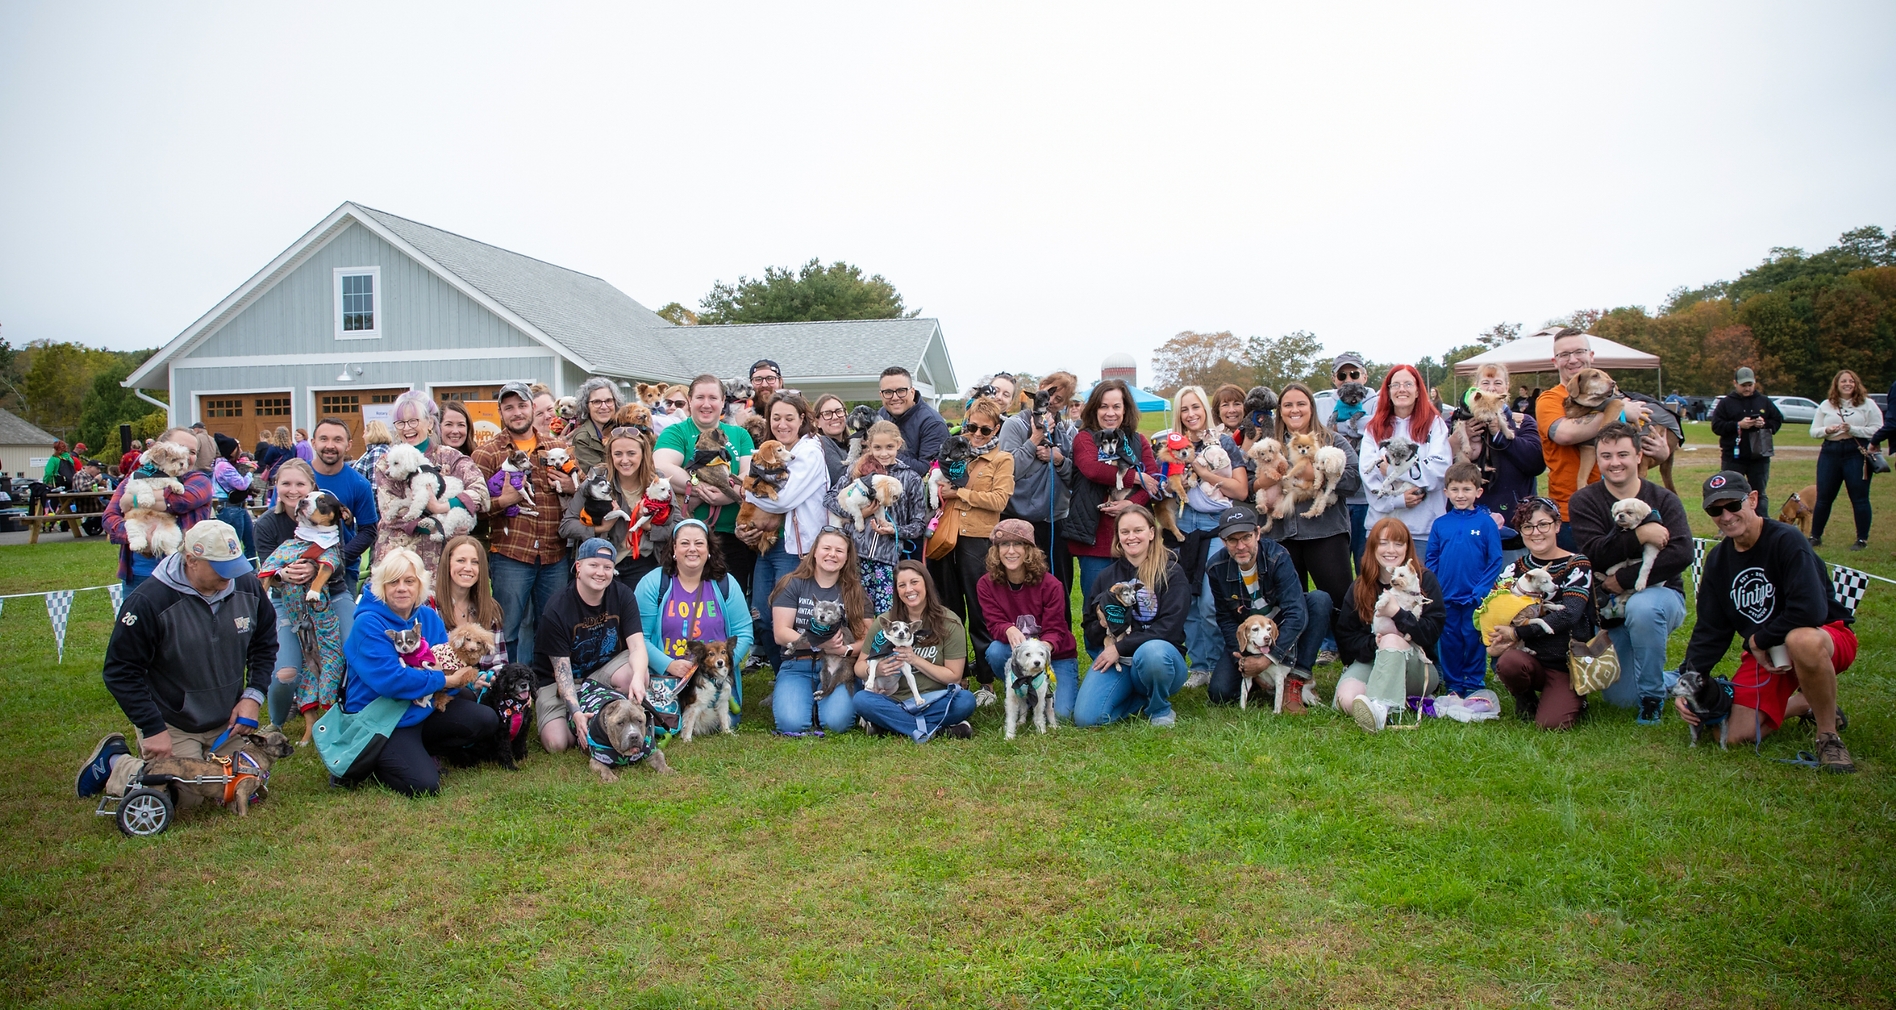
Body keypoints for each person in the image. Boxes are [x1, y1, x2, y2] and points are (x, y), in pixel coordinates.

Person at [78, 520, 275, 804]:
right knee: (183, 798)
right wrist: (153, 727)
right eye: (221, 569)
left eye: (234, 566)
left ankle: (204, 759)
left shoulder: (246, 586)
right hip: (172, 720)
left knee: (247, 778)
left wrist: (253, 696)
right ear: (191, 560)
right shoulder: (148, 601)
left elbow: (265, 642)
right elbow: (120, 671)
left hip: (226, 716)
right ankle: (115, 763)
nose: (230, 577)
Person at [1674, 472, 1857, 772]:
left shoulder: (1788, 540)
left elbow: (1810, 610)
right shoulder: (1719, 561)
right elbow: (1710, 630)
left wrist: (1759, 639)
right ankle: (1806, 703)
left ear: (1754, 500)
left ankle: (1828, 737)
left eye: (1733, 504)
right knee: (1730, 735)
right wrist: (1688, 685)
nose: (1726, 516)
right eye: (1715, 510)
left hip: (1825, 637)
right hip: (1770, 654)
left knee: (1802, 640)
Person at [336, 547, 494, 794]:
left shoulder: (428, 617)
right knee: (425, 785)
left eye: (409, 581)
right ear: (382, 586)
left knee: (484, 718)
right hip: (384, 716)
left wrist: (460, 677)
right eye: (393, 582)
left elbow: (446, 659)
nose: (402, 588)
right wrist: (445, 680)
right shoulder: (368, 623)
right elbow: (392, 681)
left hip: (422, 705)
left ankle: (420, 748)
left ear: (420, 584)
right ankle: (373, 760)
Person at [1569, 422, 1692, 723]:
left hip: (1660, 598)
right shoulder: (1584, 501)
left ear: (1638, 456)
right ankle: (1673, 678)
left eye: (1622, 454)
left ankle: (1652, 699)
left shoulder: (1664, 499)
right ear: (1597, 459)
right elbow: (1593, 554)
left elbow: (1681, 553)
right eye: (1606, 456)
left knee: (1643, 606)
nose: (1615, 462)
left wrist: (1624, 578)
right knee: (1621, 699)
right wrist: (1639, 536)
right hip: (1613, 613)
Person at [471, 382, 574, 665]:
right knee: (508, 630)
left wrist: (571, 486)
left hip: (555, 554)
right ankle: (510, 692)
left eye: (522, 405)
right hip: (510, 555)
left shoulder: (558, 447)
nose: (517, 413)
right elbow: (472, 510)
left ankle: (545, 692)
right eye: (509, 408)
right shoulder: (487, 454)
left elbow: (582, 493)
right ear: (501, 413)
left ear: (532, 407)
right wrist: (502, 501)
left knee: (551, 628)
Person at [1537, 329, 1669, 544]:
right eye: (1564, 354)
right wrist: (1620, 411)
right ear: (1555, 361)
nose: (1573, 360)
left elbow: (1634, 450)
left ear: (1591, 355)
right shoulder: (1550, 399)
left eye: (1579, 351)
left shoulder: (1614, 396)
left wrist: (1660, 455)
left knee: (1619, 574)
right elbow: (1565, 434)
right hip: (1574, 511)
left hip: (1623, 508)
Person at [1161, 384, 1252, 688]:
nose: (1190, 414)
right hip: (1183, 525)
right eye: (1184, 409)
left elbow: (1240, 490)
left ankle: (1217, 664)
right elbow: (1165, 482)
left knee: (1212, 602)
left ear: (1205, 409)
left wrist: (1200, 470)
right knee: (1187, 600)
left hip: (1215, 524)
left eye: (1195, 407)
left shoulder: (1223, 441)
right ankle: (1199, 666)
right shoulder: (1172, 444)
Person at [738, 392, 835, 668]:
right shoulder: (768, 450)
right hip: (766, 543)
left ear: (802, 419)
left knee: (786, 617)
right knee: (761, 614)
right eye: (775, 418)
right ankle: (782, 675)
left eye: (789, 418)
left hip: (796, 548)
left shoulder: (809, 452)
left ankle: (797, 676)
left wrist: (746, 490)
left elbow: (786, 499)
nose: (782, 424)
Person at [1257, 382, 1360, 639]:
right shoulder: (1270, 445)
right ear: (1280, 411)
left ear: (1311, 408)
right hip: (1281, 535)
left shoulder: (1333, 441)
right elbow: (1249, 485)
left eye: (1301, 404)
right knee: (1289, 606)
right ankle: (1294, 664)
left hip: (1324, 533)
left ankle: (1353, 657)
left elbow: (1353, 480)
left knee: (1340, 600)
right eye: (1288, 405)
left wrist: (1314, 473)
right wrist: (1269, 478)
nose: (1295, 410)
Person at [532, 538, 654, 753]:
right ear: (578, 566)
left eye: (607, 567)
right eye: (594, 565)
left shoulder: (623, 595)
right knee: (556, 744)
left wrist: (638, 678)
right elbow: (563, 674)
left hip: (600, 673)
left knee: (637, 674)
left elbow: (636, 646)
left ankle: (620, 723)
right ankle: (586, 718)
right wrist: (576, 712)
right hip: (557, 681)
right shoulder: (557, 608)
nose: (601, 572)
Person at [254, 459, 350, 731]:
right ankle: (276, 723)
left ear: (312, 488)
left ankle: (346, 711)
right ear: (276, 487)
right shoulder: (266, 525)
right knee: (286, 674)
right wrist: (282, 575)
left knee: (354, 648)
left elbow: (339, 563)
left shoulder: (327, 513)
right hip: (286, 601)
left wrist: (314, 569)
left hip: (332, 595)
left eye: (300, 484)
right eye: (286, 483)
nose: (293, 490)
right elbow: (266, 570)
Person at [1204, 505, 1327, 713]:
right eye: (1233, 540)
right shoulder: (1216, 567)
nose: (1241, 546)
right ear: (1223, 542)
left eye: (1246, 537)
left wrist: (1267, 659)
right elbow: (1225, 618)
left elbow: (1296, 613)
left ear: (1258, 533)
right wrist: (1244, 656)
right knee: (1220, 693)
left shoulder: (1277, 557)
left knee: (1319, 601)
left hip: (1277, 627)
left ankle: (1296, 678)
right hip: (1248, 635)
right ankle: (1261, 682)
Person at [1076, 505, 1190, 728]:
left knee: (1152, 652)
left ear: (1151, 532)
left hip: (1161, 659)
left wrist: (1119, 647)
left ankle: (1159, 708)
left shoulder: (1172, 573)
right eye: (1125, 532)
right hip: (1121, 661)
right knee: (1087, 719)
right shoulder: (1107, 577)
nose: (1131, 537)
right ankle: (1139, 699)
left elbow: (1169, 628)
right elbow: (1088, 626)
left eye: (1138, 530)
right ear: (1118, 537)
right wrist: (1104, 621)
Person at [636, 518, 755, 731]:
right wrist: (668, 664)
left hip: (714, 676)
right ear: (673, 549)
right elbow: (638, 637)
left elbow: (744, 632)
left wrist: (722, 665)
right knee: (665, 724)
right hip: (665, 677)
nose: (692, 549)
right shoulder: (653, 583)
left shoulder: (725, 583)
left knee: (725, 722)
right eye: (684, 543)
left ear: (709, 549)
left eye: (699, 543)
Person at [1488, 498, 1595, 730]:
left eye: (1543, 524)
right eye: (1528, 526)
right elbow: (1494, 609)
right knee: (1508, 662)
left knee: (1551, 724)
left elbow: (1569, 614)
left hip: (1564, 661)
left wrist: (1518, 632)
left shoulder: (1577, 564)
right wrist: (1491, 641)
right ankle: (1525, 697)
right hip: (1528, 657)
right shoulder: (1514, 569)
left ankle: (1576, 695)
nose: (1536, 532)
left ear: (1557, 526)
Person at [655, 373, 759, 608]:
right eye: (700, 397)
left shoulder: (739, 435)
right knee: (690, 603)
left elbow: (749, 472)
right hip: (689, 537)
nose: (706, 403)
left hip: (734, 537)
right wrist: (698, 487)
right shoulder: (677, 432)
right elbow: (662, 466)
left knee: (730, 602)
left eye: (713, 397)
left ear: (723, 402)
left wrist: (727, 492)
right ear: (690, 400)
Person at [1333, 518, 1447, 733]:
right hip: (1373, 661)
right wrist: (1374, 643)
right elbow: (1345, 638)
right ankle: (1390, 702)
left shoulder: (1425, 581)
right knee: (1347, 701)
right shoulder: (1361, 586)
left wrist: (1397, 614)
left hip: (1416, 665)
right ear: (1373, 547)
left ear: (1408, 547)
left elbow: (1431, 633)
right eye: (1383, 543)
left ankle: (1381, 708)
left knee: (1392, 638)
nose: (1391, 550)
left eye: (1398, 543)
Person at [938, 395, 1016, 702]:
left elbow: (999, 501)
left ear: (996, 429)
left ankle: (986, 682)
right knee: (948, 611)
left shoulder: (1002, 459)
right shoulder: (953, 451)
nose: (977, 434)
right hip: (945, 538)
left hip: (978, 540)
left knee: (980, 611)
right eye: (971, 427)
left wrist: (959, 493)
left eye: (985, 430)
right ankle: (953, 677)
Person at [854, 561, 978, 740]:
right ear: (896, 591)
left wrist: (914, 659)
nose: (909, 590)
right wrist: (875, 670)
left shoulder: (949, 622)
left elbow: (954, 676)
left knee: (965, 701)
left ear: (927, 583)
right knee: (861, 700)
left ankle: (891, 726)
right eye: (902, 585)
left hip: (935, 699)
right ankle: (938, 730)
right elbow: (859, 667)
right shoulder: (885, 623)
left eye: (914, 582)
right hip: (893, 700)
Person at [372, 393, 488, 581]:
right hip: (399, 557)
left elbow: (481, 494)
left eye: (413, 421)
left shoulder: (451, 457)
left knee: (441, 608)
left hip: (442, 559)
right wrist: (442, 526)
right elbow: (391, 512)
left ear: (430, 423)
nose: (407, 428)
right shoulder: (386, 463)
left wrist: (444, 506)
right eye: (400, 423)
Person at [769, 525, 871, 735]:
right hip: (798, 663)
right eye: (826, 548)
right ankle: (803, 700)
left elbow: (867, 639)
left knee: (837, 723)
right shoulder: (793, 583)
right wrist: (819, 642)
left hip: (839, 666)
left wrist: (843, 650)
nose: (832, 554)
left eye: (839, 551)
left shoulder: (855, 591)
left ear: (846, 558)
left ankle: (824, 705)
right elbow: (781, 633)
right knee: (791, 724)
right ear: (814, 551)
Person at [978, 519, 1082, 721]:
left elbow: (1056, 629)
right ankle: (1023, 693)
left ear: (1029, 550)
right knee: (996, 651)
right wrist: (1007, 629)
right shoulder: (986, 584)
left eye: (1018, 544)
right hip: (1020, 653)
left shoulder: (1051, 585)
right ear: (996, 551)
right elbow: (994, 622)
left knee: (1060, 715)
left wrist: (1042, 650)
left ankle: (1046, 687)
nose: (1010, 551)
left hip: (1055, 656)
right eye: (1004, 545)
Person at [1066, 379, 1162, 594]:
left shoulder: (1138, 441)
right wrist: (1136, 478)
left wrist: (1130, 504)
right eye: (1104, 406)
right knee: (1098, 606)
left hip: (1135, 541)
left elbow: (1153, 482)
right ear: (1094, 409)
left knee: (1140, 607)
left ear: (1125, 409)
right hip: (1095, 541)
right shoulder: (1085, 438)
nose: (1110, 413)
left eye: (1116, 406)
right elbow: (1092, 469)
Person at [824, 419, 930, 614]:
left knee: (886, 614)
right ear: (868, 445)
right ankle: (858, 645)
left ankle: (885, 645)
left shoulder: (910, 478)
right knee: (855, 612)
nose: (883, 453)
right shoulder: (856, 471)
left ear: (898, 444)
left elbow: (918, 523)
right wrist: (859, 514)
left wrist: (895, 530)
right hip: (854, 556)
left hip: (888, 561)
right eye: (877, 447)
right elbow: (829, 499)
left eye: (889, 447)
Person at [997, 371, 1079, 602]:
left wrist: (1059, 459)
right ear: (1041, 388)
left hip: (1055, 522)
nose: (1052, 402)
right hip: (1019, 520)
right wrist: (1034, 441)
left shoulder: (1069, 432)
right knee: (1021, 590)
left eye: (1059, 400)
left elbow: (1076, 478)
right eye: (1050, 393)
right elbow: (1008, 472)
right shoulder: (1014, 424)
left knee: (1058, 589)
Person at [1425, 462, 1505, 700]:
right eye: (1455, 490)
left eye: (1466, 489)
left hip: (1475, 598)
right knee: (1449, 641)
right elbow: (1432, 559)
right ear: (1446, 492)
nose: (1461, 495)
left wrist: (1481, 589)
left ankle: (1473, 681)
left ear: (1478, 492)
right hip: (1447, 596)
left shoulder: (1486, 523)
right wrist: (1437, 589)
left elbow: (1495, 559)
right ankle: (1453, 683)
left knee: (1474, 638)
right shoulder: (1440, 524)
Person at [103, 428, 215, 591]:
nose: (186, 455)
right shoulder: (137, 476)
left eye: (192, 451)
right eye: (180, 447)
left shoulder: (199, 480)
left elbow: (181, 501)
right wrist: (140, 536)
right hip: (140, 573)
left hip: (186, 574)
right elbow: (109, 518)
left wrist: (132, 500)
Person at [1360, 364, 1452, 557]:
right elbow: (1369, 475)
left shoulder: (1435, 424)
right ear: (1388, 391)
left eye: (1408, 384)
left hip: (1424, 531)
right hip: (1383, 530)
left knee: (1422, 586)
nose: (1402, 389)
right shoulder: (1374, 428)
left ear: (1418, 391)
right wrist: (1397, 500)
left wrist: (1392, 470)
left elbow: (1439, 469)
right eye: (1396, 385)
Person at [560, 425, 668, 589]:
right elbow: (566, 526)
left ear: (643, 454)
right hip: (603, 561)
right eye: (618, 454)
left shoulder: (657, 481)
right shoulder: (597, 480)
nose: (624, 460)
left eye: (631, 453)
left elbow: (676, 526)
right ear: (610, 455)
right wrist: (599, 528)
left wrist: (649, 527)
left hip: (645, 560)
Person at [1458, 363, 1544, 564]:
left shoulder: (1523, 421)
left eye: (1497, 383)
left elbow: (1535, 463)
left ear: (1506, 388)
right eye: (1485, 382)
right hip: (1469, 520)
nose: (1491, 388)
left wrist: (1500, 434)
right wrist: (1459, 438)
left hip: (1511, 523)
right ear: (1476, 387)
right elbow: (1444, 464)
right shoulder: (1462, 419)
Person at [1808, 369, 1882, 550]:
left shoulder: (1867, 404)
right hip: (1830, 452)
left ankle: (1861, 539)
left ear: (1856, 384)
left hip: (1855, 451)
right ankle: (1815, 536)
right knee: (1824, 496)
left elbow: (1878, 429)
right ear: (1836, 384)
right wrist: (1827, 430)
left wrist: (1854, 429)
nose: (1847, 384)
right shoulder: (1826, 405)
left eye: (1851, 381)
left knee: (1859, 497)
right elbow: (1813, 431)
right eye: (1843, 381)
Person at [307, 417, 380, 597]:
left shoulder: (359, 484)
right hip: (298, 566)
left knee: (343, 625)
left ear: (348, 445)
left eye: (337, 440)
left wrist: (337, 559)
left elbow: (368, 531)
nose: (330, 445)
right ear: (313, 443)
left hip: (342, 572)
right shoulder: (296, 478)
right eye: (324, 439)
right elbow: (277, 518)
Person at [1707, 366, 1785, 519]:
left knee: (1759, 492)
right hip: (1733, 457)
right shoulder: (1726, 403)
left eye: (1750, 385)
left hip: (1759, 456)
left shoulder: (1764, 401)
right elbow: (1716, 426)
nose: (1747, 388)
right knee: (1728, 491)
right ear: (1735, 383)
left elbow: (1777, 420)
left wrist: (1765, 424)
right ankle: (1728, 521)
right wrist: (1738, 425)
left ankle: (1763, 523)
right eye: (1743, 385)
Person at [432, 534, 509, 674]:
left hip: (479, 688)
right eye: (461, 560)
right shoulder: (429, 607)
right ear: (447, 563)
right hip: (439, 685)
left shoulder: (489, 608)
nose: (468, 568)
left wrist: (488, 679)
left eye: (475, 562)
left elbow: (497, 664)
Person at [1328, 352, 1375, 565]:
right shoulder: (1322, 402)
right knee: (1338, 566)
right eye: (1342, 375)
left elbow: (1375, 427)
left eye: (1354, 374)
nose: (1348, 379)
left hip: (1368, 498)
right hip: (1337, 497)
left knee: (1366, 564)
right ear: (1334, 378)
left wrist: (1341, 428)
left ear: (1364, 377)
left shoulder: (1378, 401)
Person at [877, 366, 948, 473]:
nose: (895, 397)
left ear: (912, 392)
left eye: (901, 391)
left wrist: (887, 453)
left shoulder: (933, 423)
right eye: (888, 392)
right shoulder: (880, 416)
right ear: (881, 395)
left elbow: (927, 470)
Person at [568, 376, 623, 473]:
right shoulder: (582, 439)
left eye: (609, 401)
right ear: (586, 406)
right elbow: (597, 476)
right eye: (597, 402)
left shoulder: (626, 429)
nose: (604, 407)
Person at [811, 393, 852, 485]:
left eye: (839, 411)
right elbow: (841, 477)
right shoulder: (822, 443)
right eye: (827, 414)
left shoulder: (854, 445)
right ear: (817, 422)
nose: (835, 417)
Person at [208, 434, 252, 503]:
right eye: (238, 448)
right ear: (232, 452)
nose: (241, 451)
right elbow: (242, 485)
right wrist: (250, 472)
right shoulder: (224, 466)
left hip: (226, 502)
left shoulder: (220, 463)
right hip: (228, 503)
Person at [1209, 383, 1250, 450]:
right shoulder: (1212, 439)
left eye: (1237, 404)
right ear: (1217, 411)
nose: (1231, 410)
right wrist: (1247, 444)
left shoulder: (1258, 433)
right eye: (1225, 405)